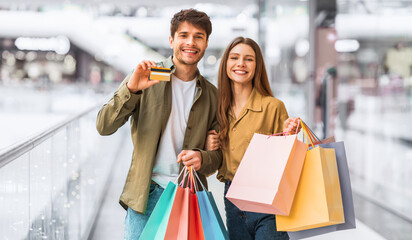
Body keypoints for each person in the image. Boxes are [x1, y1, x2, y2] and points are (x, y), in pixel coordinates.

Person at [96, 9, 222, 239]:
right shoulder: (148, 76)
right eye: (184, 35)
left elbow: (216, 159)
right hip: (147, 194)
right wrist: (131, 89)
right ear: (172, 40)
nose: (190, 42)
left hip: (189, 195)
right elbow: (104, 126)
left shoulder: (212, 95)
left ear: (206, 43)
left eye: (198, 36)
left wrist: (204, 157)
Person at [206, 37, 300, 240]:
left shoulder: (273, 106)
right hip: (233, 200)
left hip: (267, 200)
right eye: (234, 58)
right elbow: (212, 166)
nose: (241, 63)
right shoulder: (218, 110)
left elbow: (288, 163)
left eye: (249, 59)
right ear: (226, 64)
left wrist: (287, 135)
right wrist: (209, 146)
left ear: (257, 66)